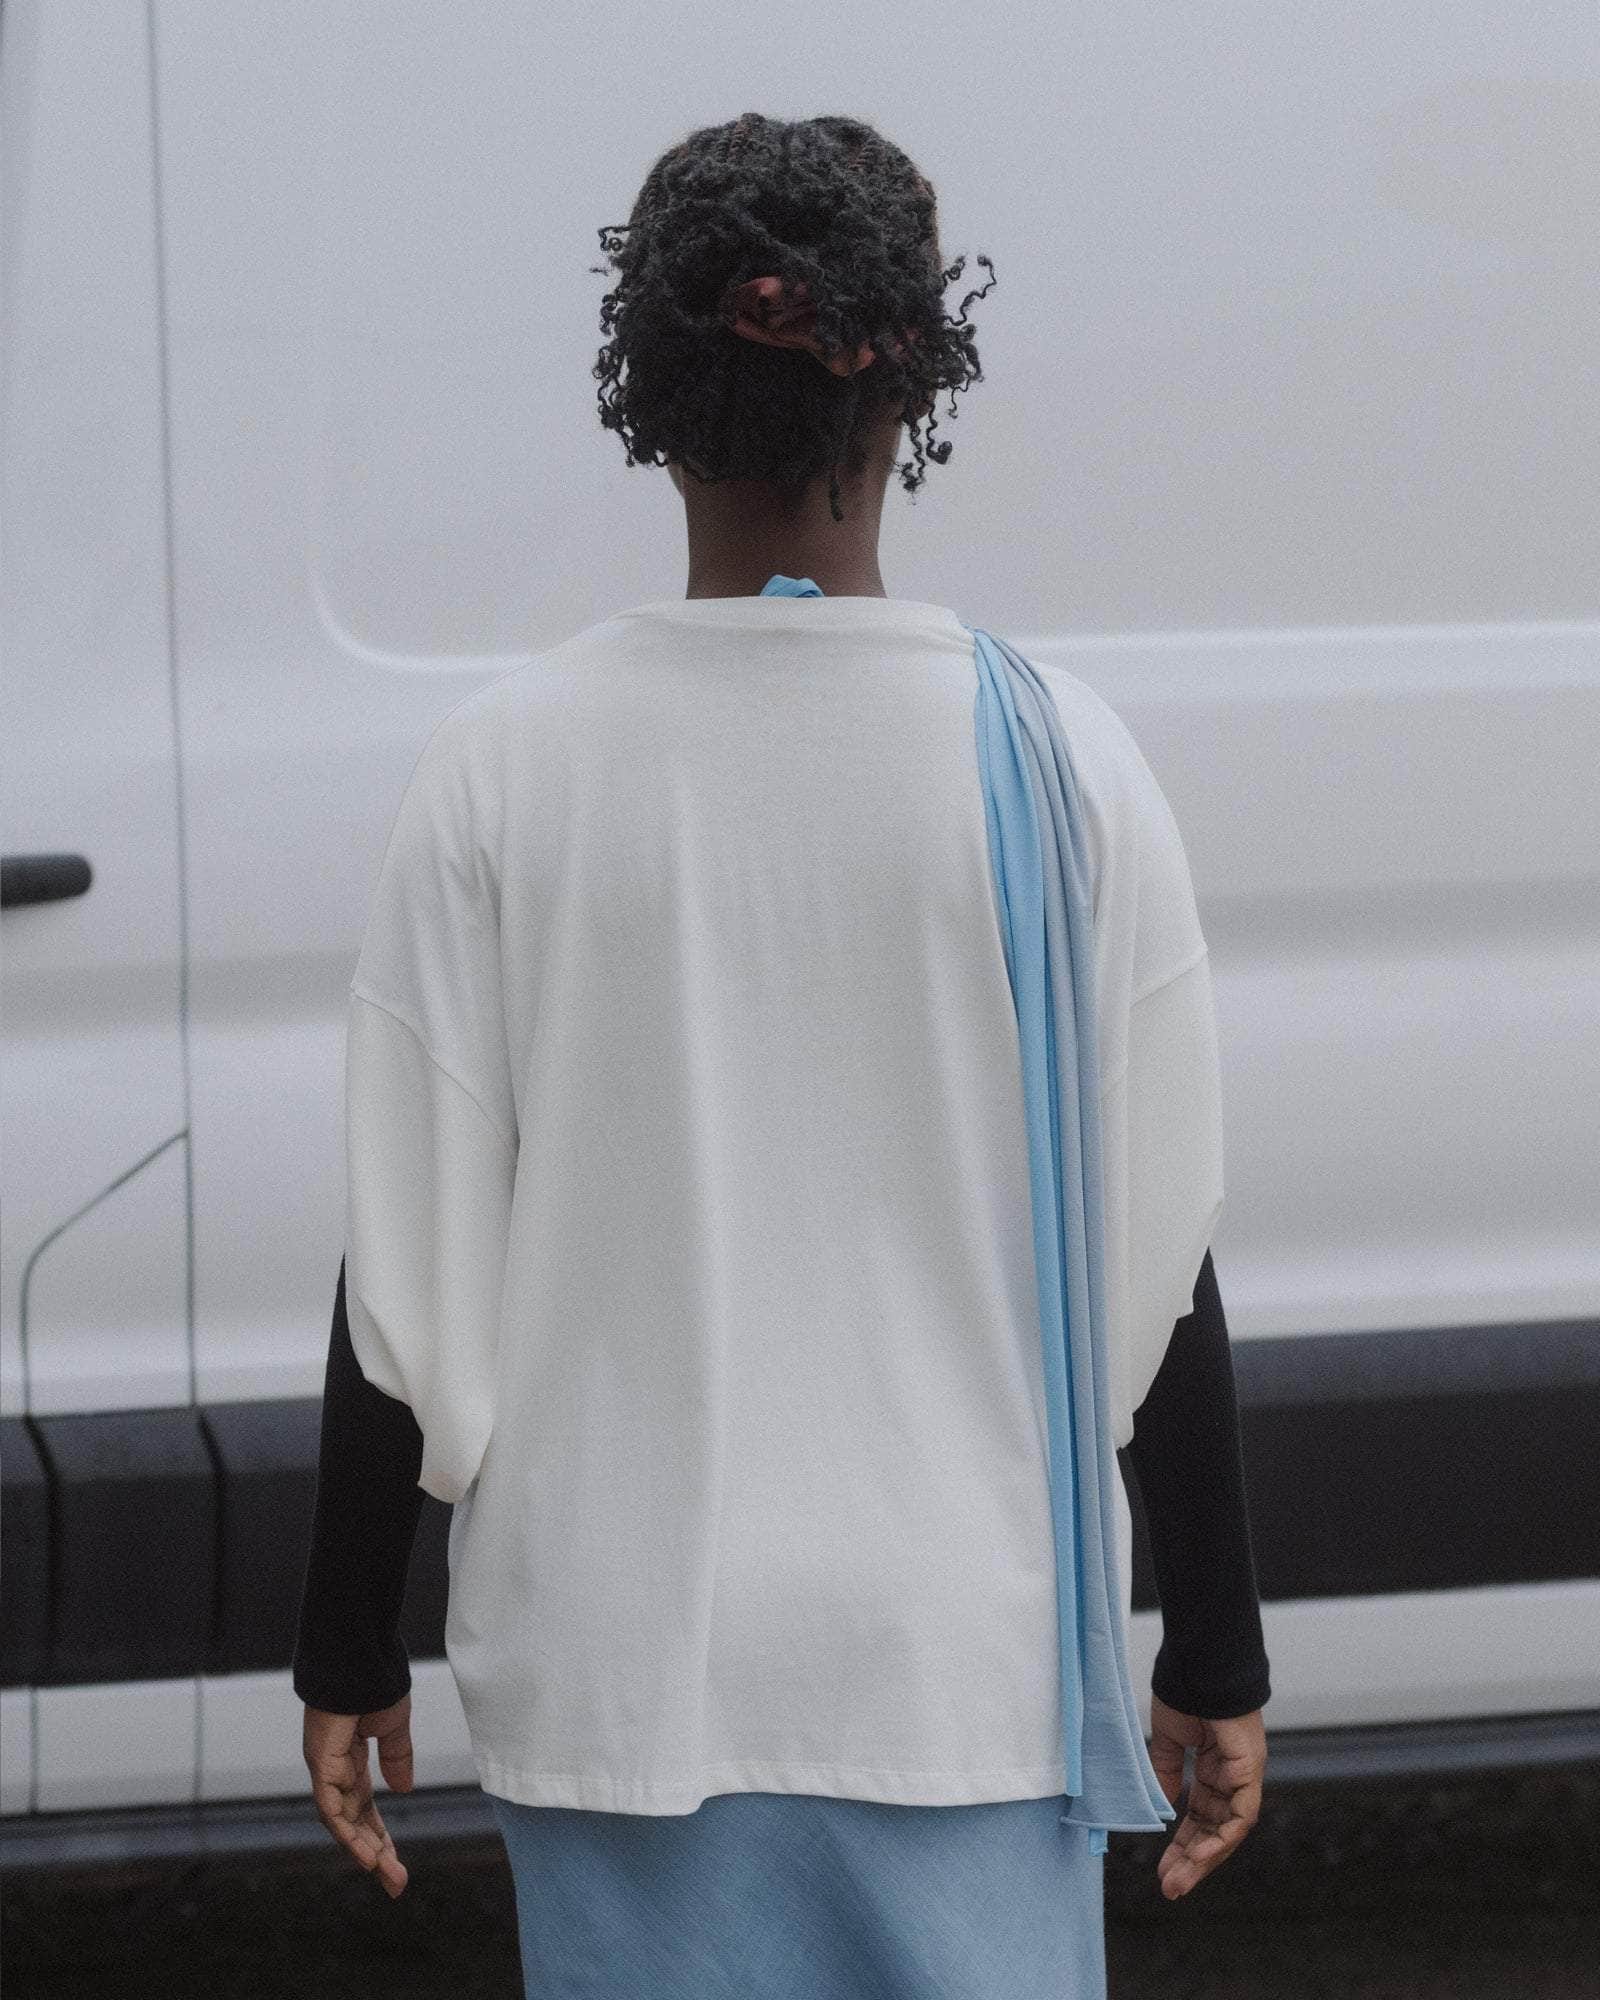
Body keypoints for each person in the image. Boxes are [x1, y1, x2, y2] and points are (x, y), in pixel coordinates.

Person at [294, 110, 1270, 1996]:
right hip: (964, 1675)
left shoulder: (506, 771)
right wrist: (1215, 1649)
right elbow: (1158, 1255)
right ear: (910, 393)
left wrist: (348, 1644)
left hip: (621, 1679)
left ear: (652, 405)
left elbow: (405, 1269)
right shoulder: (1064, 764)